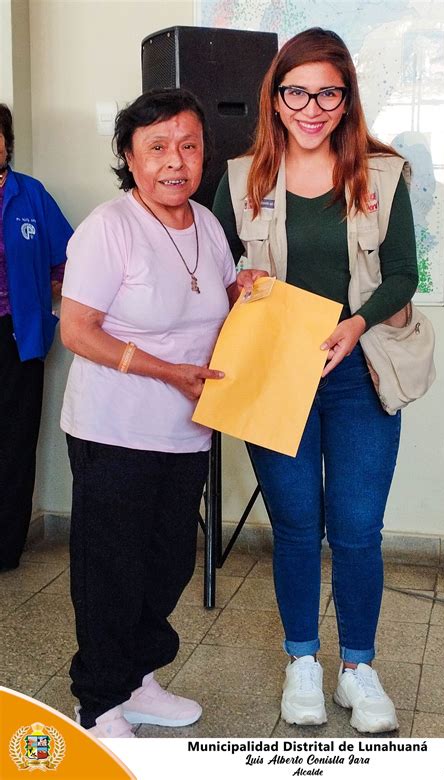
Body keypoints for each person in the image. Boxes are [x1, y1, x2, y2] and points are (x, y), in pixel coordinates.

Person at [213, 28, 419, 734]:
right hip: (274, 377)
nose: (312, 106)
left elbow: (403, 274)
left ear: (346, 97)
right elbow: (210, 265)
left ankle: (358, 669)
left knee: (358, 530)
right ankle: (302, 661)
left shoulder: (383, 175)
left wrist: (356, 325)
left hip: (359, 375)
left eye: (328, 91)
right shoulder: (242, 178)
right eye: (296, 91)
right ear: (275, 96)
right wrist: (235, 280)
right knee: (298, 527)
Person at [60, 88, 259, 738]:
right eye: (158, 147)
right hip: (114, 432)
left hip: (185, 434)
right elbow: (78, 330)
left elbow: (217, 298)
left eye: (189, 144)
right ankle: (98, 704)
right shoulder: (109, 228)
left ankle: (139, 679)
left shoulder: (204, 222)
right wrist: (164, 371)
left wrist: (245, 291)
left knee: (169, 562)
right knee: (111, 568)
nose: (176, 160)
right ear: (129, 155)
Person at [0, 103, 72, 573]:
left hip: (17, 335)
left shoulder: (31, 194)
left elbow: (69, 261)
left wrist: (35, 295)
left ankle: (6, 548)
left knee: (15, 442)